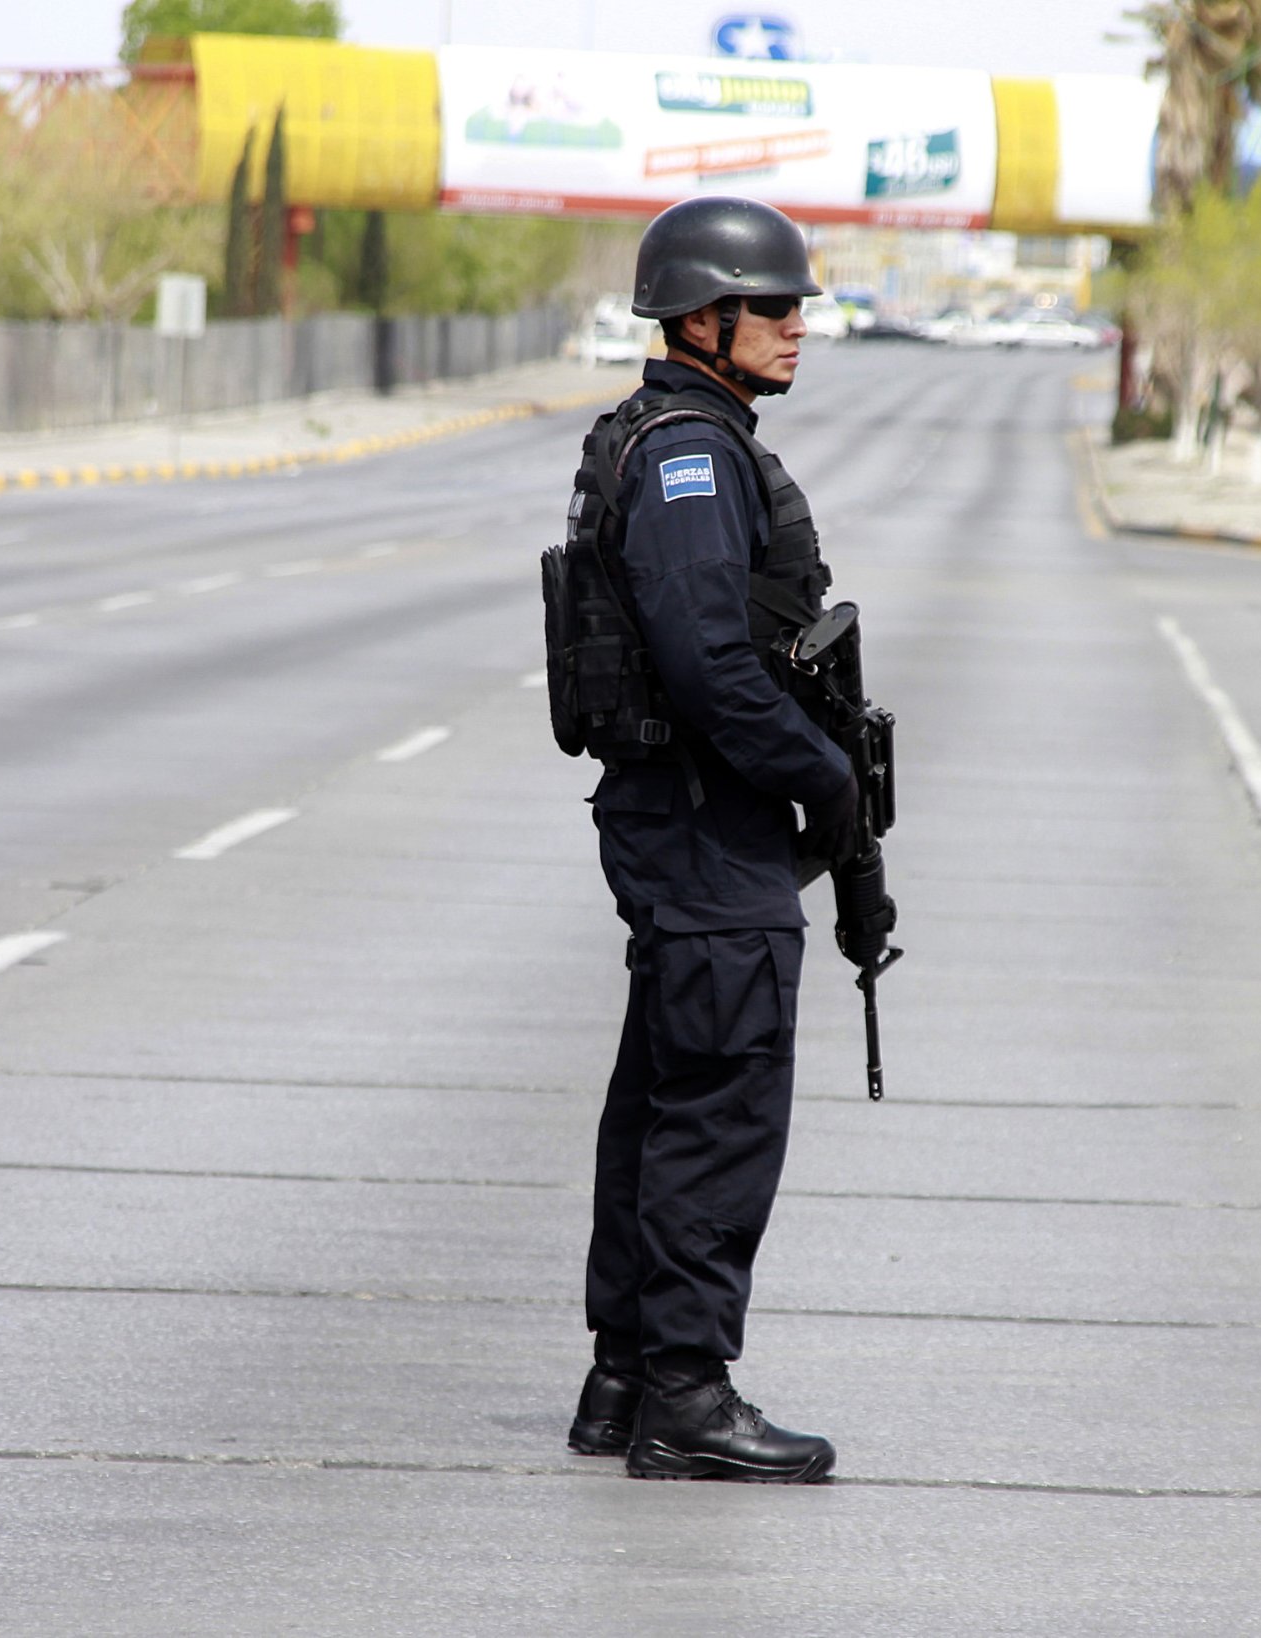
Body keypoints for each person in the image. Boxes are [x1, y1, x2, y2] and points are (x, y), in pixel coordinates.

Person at [564, 196, 858, 1484]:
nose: (797, 327)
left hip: (689, 817)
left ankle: (626, 1377)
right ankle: (687, 1390)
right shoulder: (691, 454)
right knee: (720, 1105)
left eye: (798, 305)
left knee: (667, 1089)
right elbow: (706, 663)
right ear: (703, 317)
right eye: (773, 306)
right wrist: (826, 781)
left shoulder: (694, 436)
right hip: (699, 815)